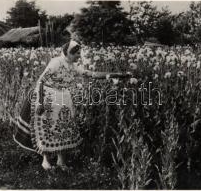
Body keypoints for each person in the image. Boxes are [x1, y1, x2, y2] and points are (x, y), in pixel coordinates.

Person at [13, 40, 130, 170]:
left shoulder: (72, 66)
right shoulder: (56, 63)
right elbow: (41, 81)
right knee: (47, 127)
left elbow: (92, 74)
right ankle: (46, 160)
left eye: (80, 53)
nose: (79, 56)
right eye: (76, 54)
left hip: (63, 98)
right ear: (68, 53)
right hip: (48, 97)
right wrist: (40, 102)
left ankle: (61, 161)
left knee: (64, 127)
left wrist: (117, 74)